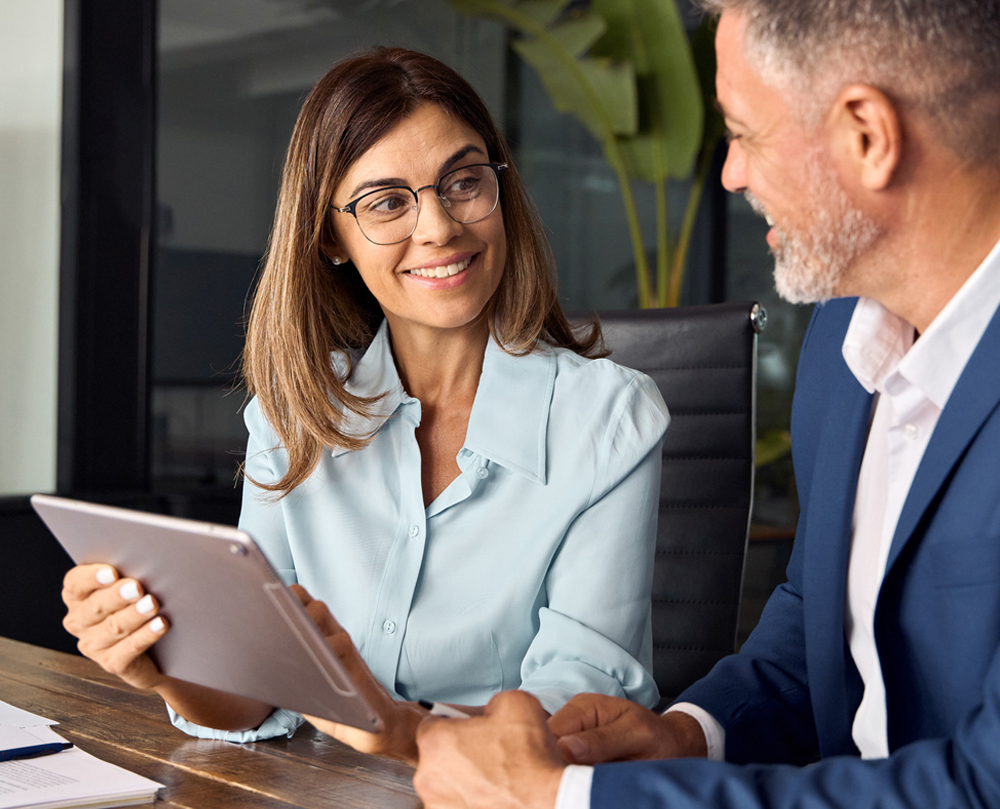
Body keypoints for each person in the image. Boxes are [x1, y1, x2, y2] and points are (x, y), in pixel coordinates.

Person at [411, 0, 1000, 806]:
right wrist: (689, 732)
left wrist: (564, 802)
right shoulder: (843, 341)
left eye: (745, 134)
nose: (731, 173)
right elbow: (815, 620)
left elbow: (983, 783)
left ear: (868, 135)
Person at [60, 48, 669, 765]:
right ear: (330, 237)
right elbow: (256, 691)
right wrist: (159, 665)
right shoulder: (295, 411)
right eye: (387, 202)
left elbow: (583, 711)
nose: (439, 227)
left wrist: (398, 727)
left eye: (464, 182)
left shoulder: (608, 419)